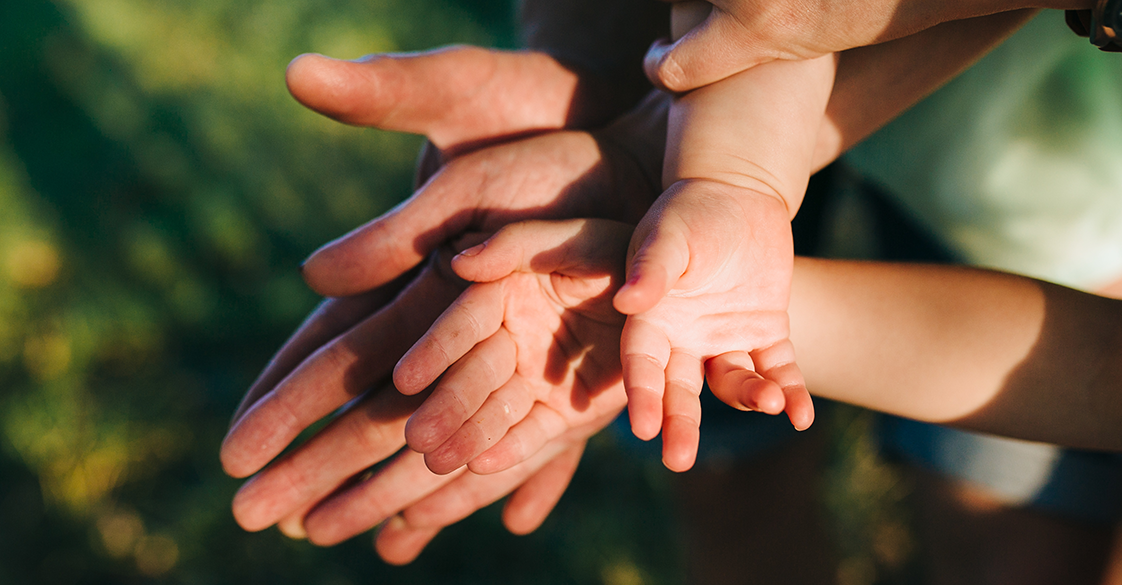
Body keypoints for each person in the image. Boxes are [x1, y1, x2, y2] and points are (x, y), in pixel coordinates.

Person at [220, 0, 1038, 568]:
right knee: (730, 488)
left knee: (1022, 520)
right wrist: (703, 171)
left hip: (1055, 141)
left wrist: (719, 226)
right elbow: (766, 23)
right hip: (744, 119)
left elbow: (1084, 373)